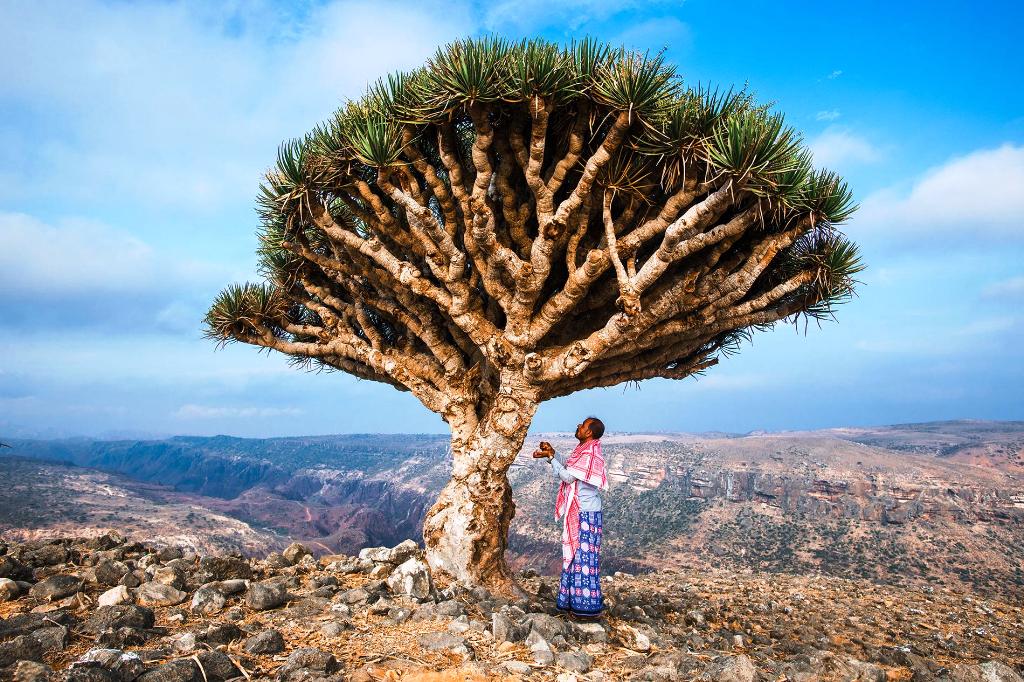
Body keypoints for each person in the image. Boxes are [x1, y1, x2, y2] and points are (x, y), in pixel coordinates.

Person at [532, 416, 608, 620]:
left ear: (589, 432)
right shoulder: (583, 451)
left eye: (582, 425)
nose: (578, 426)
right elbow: (570, 469)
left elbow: (568, 477)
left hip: (586, 513)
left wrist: (551, 459)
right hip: (583, 512)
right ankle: (572, 604)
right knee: (575, 557)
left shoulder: (590, 453)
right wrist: (552, 455)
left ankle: (587, 609)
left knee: (584, 559)